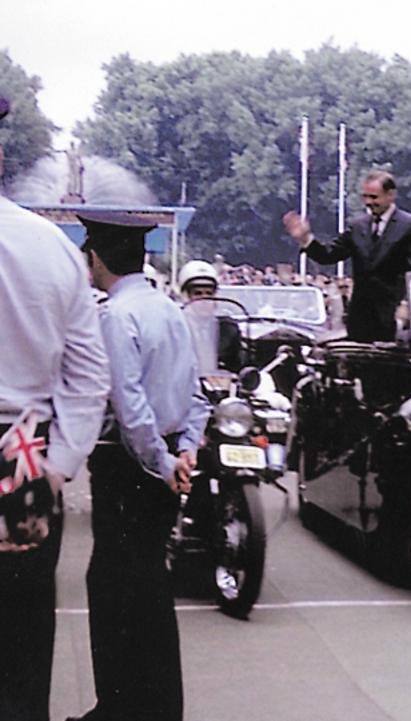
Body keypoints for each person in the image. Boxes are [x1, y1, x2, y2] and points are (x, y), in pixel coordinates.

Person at [70, 211, 210, 721]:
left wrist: (160, 459)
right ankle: (154, 705)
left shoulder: (115, 316)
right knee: (149, 585)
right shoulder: (169, 309)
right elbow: (195, 392)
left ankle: (120, 706)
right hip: (166, 459)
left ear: (97, 257)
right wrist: (185, 450)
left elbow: (130, 410)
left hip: (130, 469)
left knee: (114, 589)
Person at [0, 94, 112, 721]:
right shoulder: (50, 246)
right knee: (20, 642)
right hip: (23, 455)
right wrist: (61, 463)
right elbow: (86, 375)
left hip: (24, 448)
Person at [283, 169, 411, 341]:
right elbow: (328, 255)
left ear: (391, 195)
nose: (368, 202)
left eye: (374, 197)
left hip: (395, 317)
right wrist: (305, 238)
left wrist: (406, 305)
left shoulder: (410, 225)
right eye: (365, 197)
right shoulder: (357, 226)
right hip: (360, 318)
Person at [176, 259, 244, 372]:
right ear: (186, 295)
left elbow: (238, 365)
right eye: (198, 293)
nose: (205, 298)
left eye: (209, 293)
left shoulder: (228, 328)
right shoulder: (176, 327)